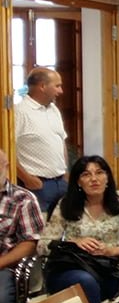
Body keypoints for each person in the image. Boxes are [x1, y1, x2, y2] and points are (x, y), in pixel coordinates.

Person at [39, 156, 119, 303]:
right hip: (70, 269)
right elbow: (42, 245)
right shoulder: (66, 205)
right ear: (78, 182)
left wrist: (115, 250)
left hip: (109, 271)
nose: (94, 179)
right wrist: (72, 243)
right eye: (86, 175)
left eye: (99, 173)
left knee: (87, 285)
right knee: (84, 281)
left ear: (108, 178)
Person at [0, 148, 44, 303]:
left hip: (4, 265)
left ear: (6, 165)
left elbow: (30, 243)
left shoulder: (22, 198)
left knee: (0, 302)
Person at [14, 68, 69, 212]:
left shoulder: (54, 110)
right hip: (37, 185)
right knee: (40, 231)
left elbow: (61, 140)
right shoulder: (19, 112)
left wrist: (65, 171)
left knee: (65, 227)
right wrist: (26, 178)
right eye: (57, 86)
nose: (61, 91)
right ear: (42, 86)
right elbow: (6, 149)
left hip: (61, 182)